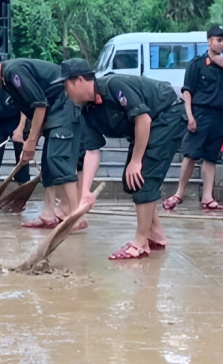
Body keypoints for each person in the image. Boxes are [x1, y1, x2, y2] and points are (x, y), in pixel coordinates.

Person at [60, 59, 185, 259]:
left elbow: (143, 119)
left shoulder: (114, 86)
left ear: (80, 80)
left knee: (143, 177)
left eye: (66, 85)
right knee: (132, 181)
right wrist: (85, 192)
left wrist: (136, 161)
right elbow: (92, 151)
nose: (65, 93)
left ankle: (140, 243)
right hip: (145, 127)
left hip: (167, 115)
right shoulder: (86, 111)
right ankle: (157, 234)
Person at [0, 47, 82, 228]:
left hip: (64, 108)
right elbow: (34, 109)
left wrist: (30, 142)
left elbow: (40, 104)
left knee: (58, 160)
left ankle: (75, 215)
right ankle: (48, 214)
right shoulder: (6, 81)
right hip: (51, 115)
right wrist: (33, 139)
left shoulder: (13, 71)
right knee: (48, 163)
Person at [163, 25, 223, 212]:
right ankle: (179, 193)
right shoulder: (196, 64)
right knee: (190, 154)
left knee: (211, 157)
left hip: (218, 115)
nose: (222, 44)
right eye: (219, 40)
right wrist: (190, 116)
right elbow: (187, 92)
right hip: (199, 113)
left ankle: (207, 197)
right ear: (209, 41)